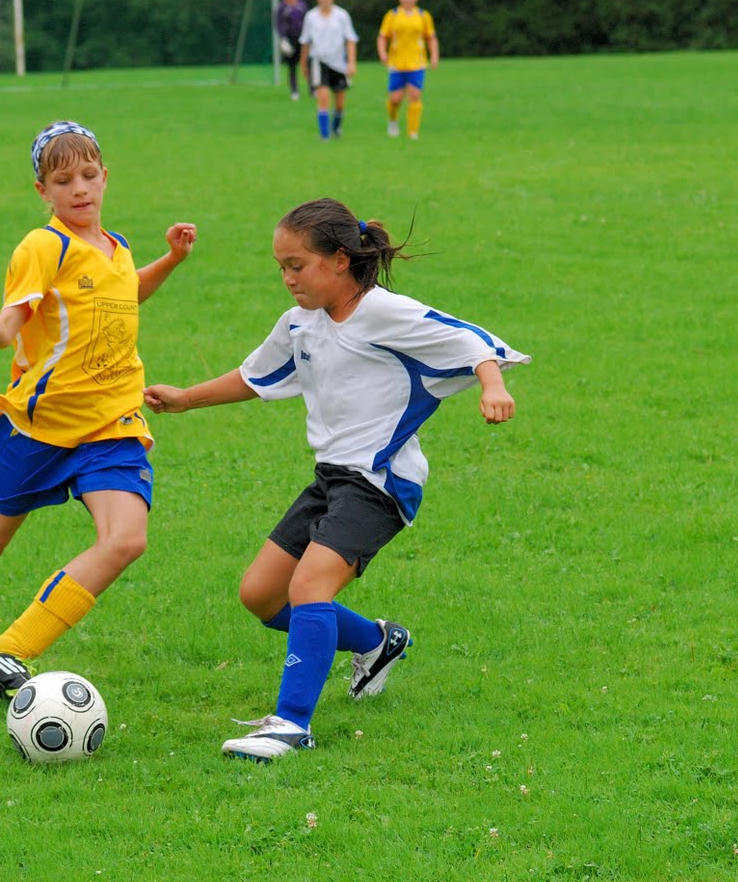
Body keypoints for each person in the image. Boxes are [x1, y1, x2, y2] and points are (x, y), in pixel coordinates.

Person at [143, 198, 528, 761]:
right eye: (281, 266)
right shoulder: (300, 323)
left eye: (297, 265)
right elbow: (258, 376)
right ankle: (378, 642)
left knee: (309, 588)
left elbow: (471, 341)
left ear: (340, 260)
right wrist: (185, 400)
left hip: (380, 481)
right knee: (261, 596)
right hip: (331, 479)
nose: (287, 278)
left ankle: (292, 724)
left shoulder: (383, 312)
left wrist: (492, 386)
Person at [0, 119, 197, 697]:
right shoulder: (42, 246)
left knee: (126, 540)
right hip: (40, 427)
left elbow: (123, 291)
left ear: (105, 176)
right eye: (63, 180)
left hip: (112, 424)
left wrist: (171, 261)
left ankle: (5, 653)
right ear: (43, 191)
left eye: (88, 175)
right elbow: (11, 323)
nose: (79, 189)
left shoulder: (116, 248)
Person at [377, 0, 439, 140]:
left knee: (414, 95)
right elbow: (383, 37)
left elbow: (431, 37)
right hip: (397, 63)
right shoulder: (392, 16)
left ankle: (413, 132)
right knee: (395, 99)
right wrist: (382, 53)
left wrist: (434, 55)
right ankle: (392, 120)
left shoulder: (423, 16)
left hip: (417, 62)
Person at [299, 0, 359, 140]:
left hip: (339, 62)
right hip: (319, 61)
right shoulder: (311, 17)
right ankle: (324, 136)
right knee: (323, 97)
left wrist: (352, 62)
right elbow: (305, 41)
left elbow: (351, 40)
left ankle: (336, 128)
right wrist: (303, 63)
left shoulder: (342, 15)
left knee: (339, 103)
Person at [274, 0, 309, 102]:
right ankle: (294, 91)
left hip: (303, 39)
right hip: (289, 40)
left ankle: (312, 89)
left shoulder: (302, 5)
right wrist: (283, 39)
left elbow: (308, 21)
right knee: (292, 66)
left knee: (307, 64)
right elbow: (278, 24)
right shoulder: (281, 7)